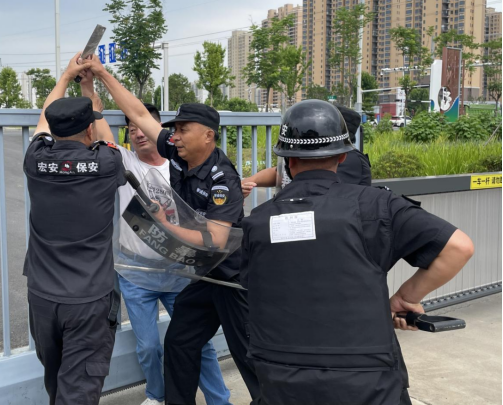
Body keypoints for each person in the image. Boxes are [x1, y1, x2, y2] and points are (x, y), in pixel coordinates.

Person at [240, 99, 474, 405]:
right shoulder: (378, 206)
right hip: (366, 381)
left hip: (280, 379)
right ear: (342, 156)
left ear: (287, 160)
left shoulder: (257, 221)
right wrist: (405, 299)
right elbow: (458, 247)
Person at [83, 54, 260, 404]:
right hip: (201, 276)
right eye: (173, 130)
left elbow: (216, 239)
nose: (173, 136)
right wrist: (101, 73)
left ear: (208, 135)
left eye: (182, 130)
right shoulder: (179, 155)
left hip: (230, 279)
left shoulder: (222, 179)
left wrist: (163, 224)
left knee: (248, 355)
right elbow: (137, 114)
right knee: (180, 342)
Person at [110, 101, 232, 405]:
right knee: (148, 346)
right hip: (137, 274)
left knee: (198, 343)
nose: (138, 133)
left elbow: (214, 215)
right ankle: (156, 395)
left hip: (179, 271)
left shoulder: (179, 165)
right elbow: (104, 128)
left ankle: (219, 400)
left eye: (142, 127)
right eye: (131, 129)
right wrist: (90, 84)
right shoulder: (125, 161)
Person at [23, 52, 125, 405]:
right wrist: (89, 88)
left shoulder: (35, 160)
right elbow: (107, 137)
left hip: (42, 297)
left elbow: (43, 119)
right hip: (88, 300)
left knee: (56, 381)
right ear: (89, 129)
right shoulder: (107, 164)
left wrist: (67, 77)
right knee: (79, 389)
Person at [240, 104, 371, 199]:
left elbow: (325, 196)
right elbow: (279, 173)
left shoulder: (350, 161)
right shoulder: (305, 155)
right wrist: (249, 181)